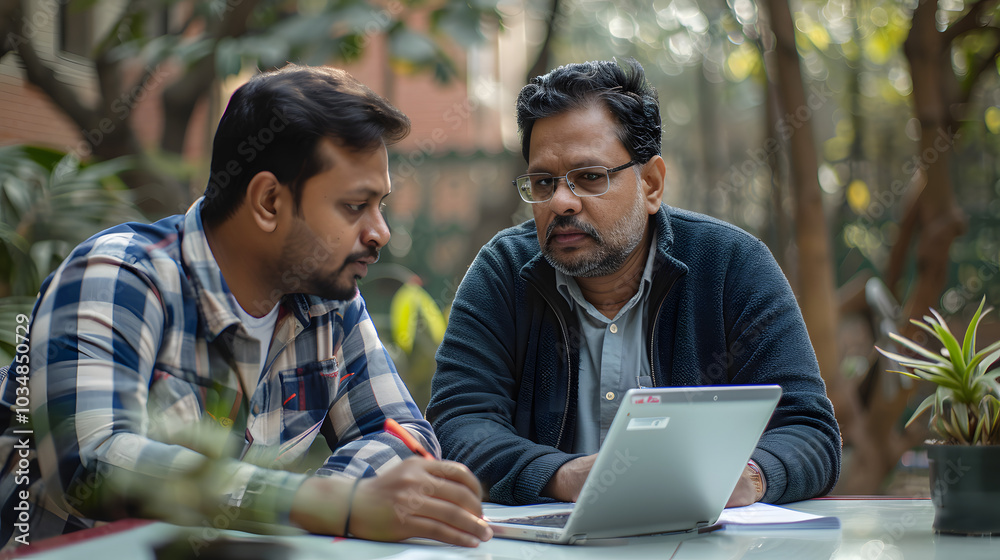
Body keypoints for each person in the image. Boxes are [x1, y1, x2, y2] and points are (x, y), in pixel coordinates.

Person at [0, 65, 492, 551]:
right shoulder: (118, 277)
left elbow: (405, 434)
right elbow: (93, 461)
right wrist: (327, 503)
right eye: (354, 206)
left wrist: (347, 498)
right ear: (269, 202)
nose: (379, 232)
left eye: (380, 204)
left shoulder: (327, 300)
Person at [426, 59, 841, 507]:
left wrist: (751, 478)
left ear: (652, 184)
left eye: (589, 177)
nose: (561, 202)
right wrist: (564, 476)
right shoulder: (503, 273)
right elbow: (459, 425)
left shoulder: (731, 267)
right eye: (543, 182)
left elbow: (809, 430)